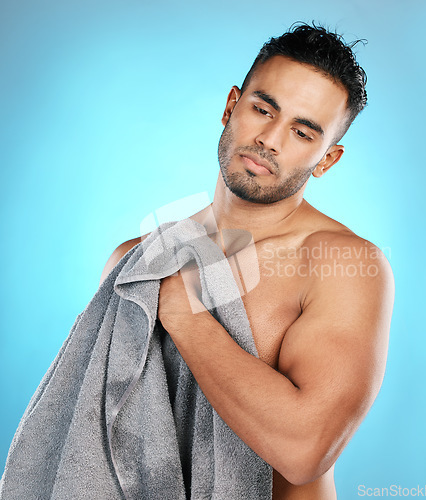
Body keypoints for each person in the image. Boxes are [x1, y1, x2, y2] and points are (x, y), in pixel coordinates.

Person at [100, 22, 394, 499]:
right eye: (262, 110)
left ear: (327, 160)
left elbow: (305, 450)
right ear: (230, 106)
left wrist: (181, 311)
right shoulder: (135, 263)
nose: (271, 140)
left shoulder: (342, 264)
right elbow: (98, 437)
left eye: (302, 132)